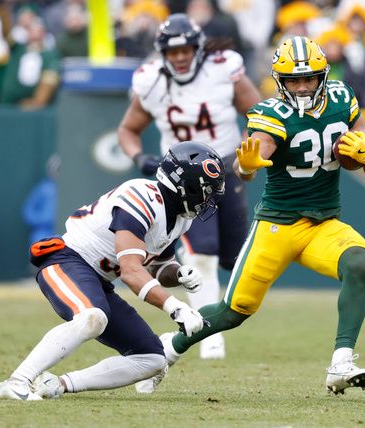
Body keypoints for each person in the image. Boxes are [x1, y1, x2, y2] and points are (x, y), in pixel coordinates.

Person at [137, 36, 365, 395]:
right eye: (293, 81)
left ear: (323, 76)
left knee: (359, 262)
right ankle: (167, 349)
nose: (302, 87)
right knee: (232, 312)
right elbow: (246, 166)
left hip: (323, 224)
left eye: (309, 79)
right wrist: (247, 166)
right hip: (277, 225)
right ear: (280, 81)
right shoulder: (271, 114)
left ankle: (341, 362)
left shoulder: (343, 99)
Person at [0, 141, 225, 401]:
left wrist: (178, 274)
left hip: (100, 280)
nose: (208, 200)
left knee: (153, 359)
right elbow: (131, 272)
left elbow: (158, 267)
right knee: (93, 316)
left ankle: (58, 385)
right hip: (67, 260)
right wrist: (177, 308)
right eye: (205, 191)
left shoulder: (180, 219)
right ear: (184, 186)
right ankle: (16, 382)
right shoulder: (141, 196)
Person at [117, 13, 262, 362]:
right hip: (182, 177)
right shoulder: (151, 80)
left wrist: (247, 150)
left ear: (197, 48)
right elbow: (127, 130)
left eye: (185, 49)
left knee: (233, 255)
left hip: (225, 167)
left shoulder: (223, 68)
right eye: (172, 51)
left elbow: (259, 115)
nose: (180, 57)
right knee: (202, 251)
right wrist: (140, 158)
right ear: (162, 53)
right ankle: (208, 335)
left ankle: (212, 317)